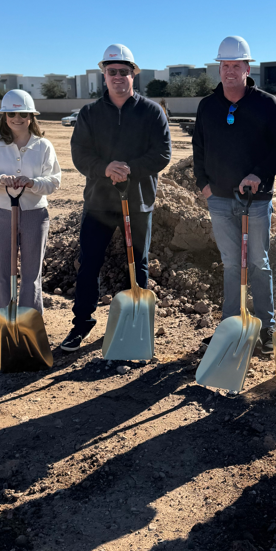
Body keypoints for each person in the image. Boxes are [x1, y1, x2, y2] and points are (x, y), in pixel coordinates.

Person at [60, 44, 171, 351]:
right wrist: (105, 168)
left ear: (134, 74)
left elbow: (162, 154)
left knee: (138, 263)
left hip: (137, 203)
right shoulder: (90, 114)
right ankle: (81, 324)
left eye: (125, 71)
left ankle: (132, 326)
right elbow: (80, 154)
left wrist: (130, 169)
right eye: (112, 72)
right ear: (104, 75)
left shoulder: (151, 112)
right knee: (89, 263)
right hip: (98, 203)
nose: (118, 77)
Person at [192, 36, 276, 353]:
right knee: (232, 265)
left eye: (236, 65)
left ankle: (266, 328)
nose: (230, 71)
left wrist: (258, 175)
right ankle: (230, 326)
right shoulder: (207, 106)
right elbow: (198, 149)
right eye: (225, 65)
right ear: (219, 68)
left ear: (248, 68)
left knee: (259, 264)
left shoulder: (266, 105)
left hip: (257, 201)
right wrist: (204, 185)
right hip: (218, 200)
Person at [0, 90, 61, 357]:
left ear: (31, 116)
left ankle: (30, 339)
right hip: (2, 214)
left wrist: (33, 184)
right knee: (0, 275)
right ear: (4, 116)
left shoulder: (43, 146)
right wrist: (0, 180)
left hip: (36, 215)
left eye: (23, 113)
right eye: (11, 113)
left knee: (31, 278)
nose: (17, 118)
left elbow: (55, 181)